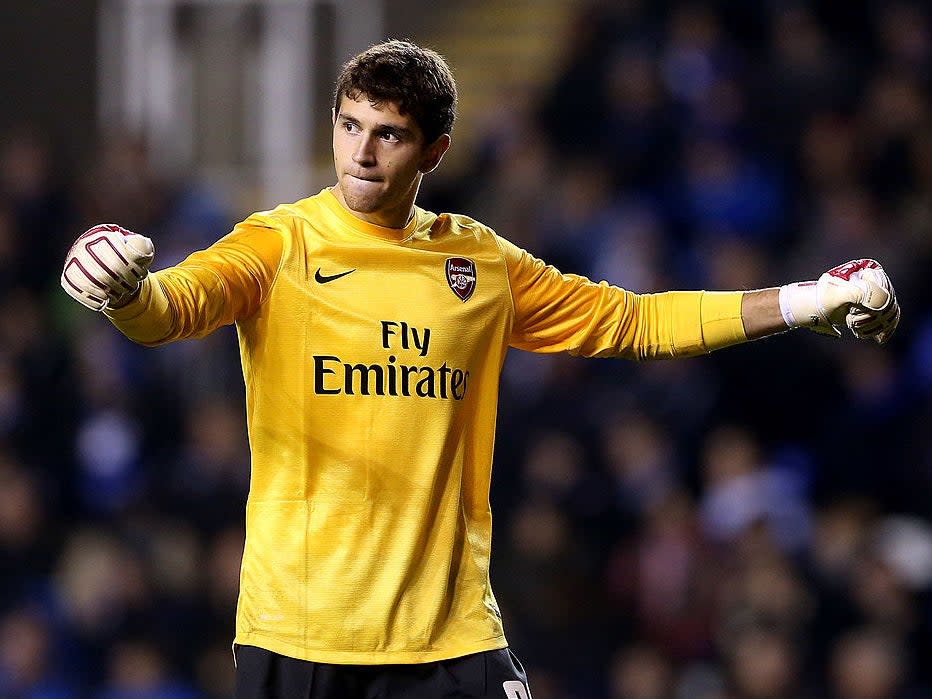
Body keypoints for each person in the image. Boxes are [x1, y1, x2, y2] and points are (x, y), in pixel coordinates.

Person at [60, 40, 900, 699]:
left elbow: (635, 321)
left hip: (450, 638)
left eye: (389, 134)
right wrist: (124, 291)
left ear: (434, 150)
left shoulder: (480, 265)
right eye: (350, 125)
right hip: (299, 635)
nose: (361, 152)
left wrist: (800, 300)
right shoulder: (280, 244)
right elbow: (175, 308)